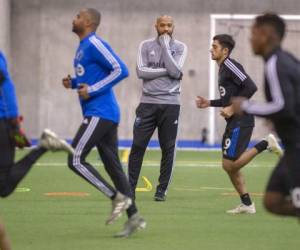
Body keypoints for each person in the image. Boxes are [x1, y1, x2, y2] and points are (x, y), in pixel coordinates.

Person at [63, 8, 145, 237]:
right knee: (114, 169)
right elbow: (91, 79)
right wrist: (74, 83)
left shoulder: (94, 43)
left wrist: (93, 89)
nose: (74, 18)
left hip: (101, 113)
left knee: (75, 159)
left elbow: (121, 70)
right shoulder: (81, 48)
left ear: (88, 22)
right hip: (102, 114)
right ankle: (135, 218)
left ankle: (116, 198)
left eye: (77, 16)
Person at [195, 34, 282, 214]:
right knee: (229, 167)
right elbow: (228, 100)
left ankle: (266, 143)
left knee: (230, 165)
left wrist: (233, 110)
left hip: (241, 120)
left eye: (215, 46)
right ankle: (247, 204)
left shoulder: (230, 65)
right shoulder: (222, 69)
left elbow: (251, 87)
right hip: (234, 121)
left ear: (225, 51)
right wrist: (209, 103)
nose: (211, 49)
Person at [0, 50, 73, 249]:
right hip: (6, 121)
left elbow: (2, 78)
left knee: (4, 187)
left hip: (3, 122)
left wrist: (13, 124)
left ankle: (43, 146)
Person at [232, 13, 300, 218]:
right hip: (292, 149)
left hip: (298, 148)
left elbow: (283, 105)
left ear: (265, 35)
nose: (250, 38)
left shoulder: (275, 64)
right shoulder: (286, 59)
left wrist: (247, 106)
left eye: (253, 33)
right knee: (273, 200)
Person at [128, 15, 187, 202]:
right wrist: (170, 71)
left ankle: (161, 190)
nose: (166, 29)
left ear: (173, 26)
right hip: (147, 104)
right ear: (156, 26)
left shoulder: (180, 47)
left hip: (171, 104)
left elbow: (177, 71)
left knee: (168, 148)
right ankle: (130, 189)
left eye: (169, 26)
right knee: (138, 146)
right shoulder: (145, 46)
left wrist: (165, 46)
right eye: (162, 26)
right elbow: (141, 71)